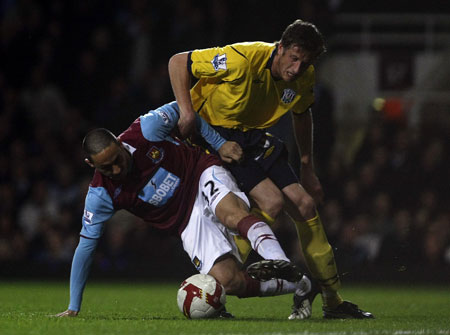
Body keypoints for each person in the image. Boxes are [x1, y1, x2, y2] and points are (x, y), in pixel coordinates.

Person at [168, 19, 373, 319]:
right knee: (272, 203)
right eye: (293, 58)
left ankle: (333, 301)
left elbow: (302, 115)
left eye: (305, 62)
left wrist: (306, 165)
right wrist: (186, 111)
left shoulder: (304, 77)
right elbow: (178, 62)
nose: (296, 69)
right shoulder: (240, 59)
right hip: (215, 137)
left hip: (251, 136)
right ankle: (222, 283)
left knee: (304, 204)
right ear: (281, 48)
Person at [56, 101, 314, 318]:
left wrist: (219, 142)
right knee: (229, 282)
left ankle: (279, 261)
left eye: (118, 160)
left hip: (201, 173)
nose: (116, 170)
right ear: (91, 164)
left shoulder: (146, 129)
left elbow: (184, 110)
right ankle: (301, 284)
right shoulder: (100, 194)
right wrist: (73, 307)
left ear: (121, 144)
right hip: (186, 221)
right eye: (106, 168)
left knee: (232, 215)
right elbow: (86, 247)